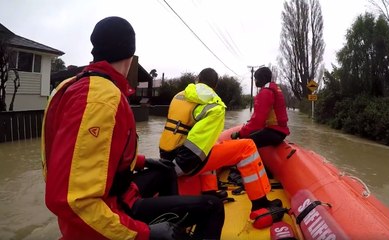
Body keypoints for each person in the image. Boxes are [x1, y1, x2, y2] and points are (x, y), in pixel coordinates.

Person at [42, 16, 224, 240]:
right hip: (109, 213)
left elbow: (90, 157)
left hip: (116, 194)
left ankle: (171, 225)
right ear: (130, 56)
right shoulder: (102, 98)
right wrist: (145, 234)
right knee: (213, 206)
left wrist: (142, 161)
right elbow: (75, 202)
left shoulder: (68, 86)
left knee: (166, 169)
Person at [158, 67, 282, 216]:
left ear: (197, 79)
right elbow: (196, 148)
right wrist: (176, 169)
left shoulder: (179, 96)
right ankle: (260, 205)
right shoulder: (215, 105)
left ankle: (209, 192)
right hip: (183, 163)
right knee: (247, 147)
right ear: (215, 86)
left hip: (166, 155)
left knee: (210, 143)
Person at [230, 67, 290, 148]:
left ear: (262, 78)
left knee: (243, 144)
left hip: (274, 132)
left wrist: (240, 133)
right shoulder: (274, 88)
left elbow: (257, 121)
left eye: (256, 78)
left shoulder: (265, 92)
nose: (255, 81)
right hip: (280, 132)